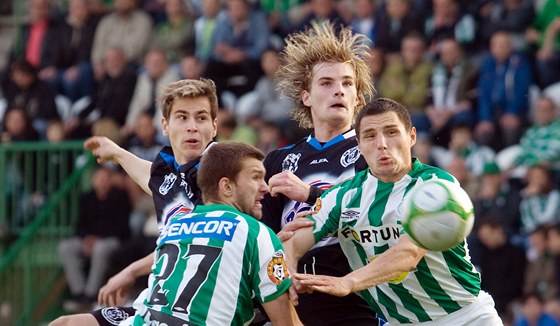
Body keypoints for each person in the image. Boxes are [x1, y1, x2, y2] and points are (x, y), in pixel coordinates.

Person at [283, 98, 503, 325]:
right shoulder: (341, 196)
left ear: (412, 136)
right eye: (370, 135)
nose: (381, 144)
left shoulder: (434, 186)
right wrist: (288, 274)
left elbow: (407, 255)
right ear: (358, 144)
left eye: (391, 132)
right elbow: (293, 243)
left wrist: (347, 282)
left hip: (465, 318)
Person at [49, 78, 219, 326]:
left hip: (196, 311)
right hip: (156, 304)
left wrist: (132, 270)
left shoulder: (219, 175)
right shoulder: (168, 174)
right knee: (64, 324)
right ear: (165, 125)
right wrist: (116, 152)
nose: (192, 126)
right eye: (182, 117)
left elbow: (197, 245)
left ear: (215, 126)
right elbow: (150, 177)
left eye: (201, 118)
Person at [261, 21, 378, 325]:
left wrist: (310, 194)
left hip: (354, 300)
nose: (338, 90)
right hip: (291, 298)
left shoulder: (372, 151)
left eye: (347, 84)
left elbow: (377, 210)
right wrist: (277, 240)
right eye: (326, 83)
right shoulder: (279, 160)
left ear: (358, 99)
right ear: (306, 97)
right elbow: (262, 233)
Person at [121, 142, 301, 325]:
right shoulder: (255, 232)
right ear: (227, 187)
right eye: (256, 178)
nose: (265, 187)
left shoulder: (174, 226)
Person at [58, 165, 132, 312]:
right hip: (89, 240)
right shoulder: (86, 197)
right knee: (66, 247)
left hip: (113, 239)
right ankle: (79, 292)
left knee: (100, 248)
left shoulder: (120, 196)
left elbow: (122, 227)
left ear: (111, 180)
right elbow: (79, 225)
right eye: (99, 178)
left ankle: (91, 294)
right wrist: (86, 239)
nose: (102, 182)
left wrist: (98, 238)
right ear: (93, 180)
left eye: (106, 178)